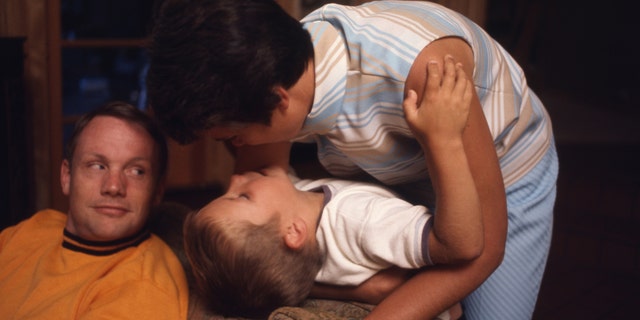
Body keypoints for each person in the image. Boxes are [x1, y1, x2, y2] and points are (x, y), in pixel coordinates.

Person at [146, 1, 559, 319]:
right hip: (406, 167)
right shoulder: (272, 70)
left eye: (234, 138)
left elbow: (480, 249)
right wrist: (363, 289)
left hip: (504, 170)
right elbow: (269, 242)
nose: (240, 171)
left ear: (279, 102)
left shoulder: (425, 73)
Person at [184, 60, 477, 319]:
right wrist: (443, 139)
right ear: (293, 233)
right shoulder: (361, 222)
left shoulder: (291, 237)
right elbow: (455, 244)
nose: (236, 179)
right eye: (241, 196)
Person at [0, 102, 189, 319]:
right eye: (98, 166)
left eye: (136, 171)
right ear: (66, 177)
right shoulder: (35, 227)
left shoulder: (144, 285)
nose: (113, 187)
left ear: (157, 191)